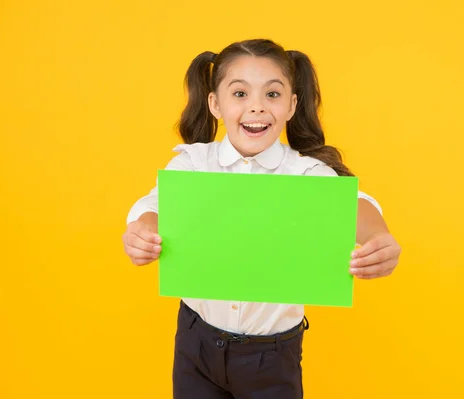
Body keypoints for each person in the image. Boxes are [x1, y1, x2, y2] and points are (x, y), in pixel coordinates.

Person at [122, 38, 401, 399]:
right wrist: (142, 229)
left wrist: (379, 236)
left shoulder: (305, 173)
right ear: (215, 104)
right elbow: (154, 205)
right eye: (240, 94)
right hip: (197, 344)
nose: (256, 107)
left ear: (291, 105)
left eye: (272, 95)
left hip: (272, 355)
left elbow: (352, 204)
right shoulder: (193, 164)